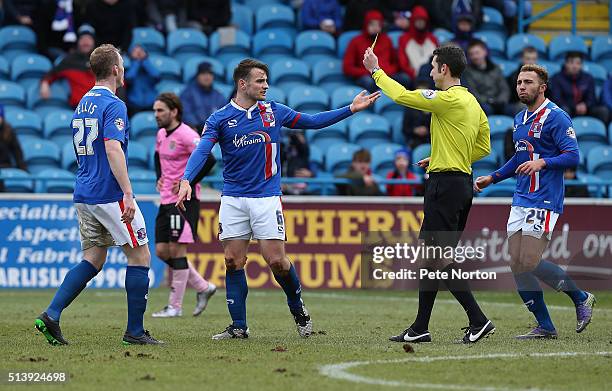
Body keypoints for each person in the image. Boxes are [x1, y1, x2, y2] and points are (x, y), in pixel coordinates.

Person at [175, 58, 380, 339]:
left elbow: (312, 121)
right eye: (260, 81)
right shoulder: (219, 118)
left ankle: (299, 311)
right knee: (233, 261)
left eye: (266, 81)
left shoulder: (274, 112)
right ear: (242, 84)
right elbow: (201, 151)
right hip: (233, 198)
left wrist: (350, 109)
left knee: (276, 262)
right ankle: (238, 327)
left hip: (266, 198)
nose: (266, 86)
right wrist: (186, 178)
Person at [364, 43, 495, 344]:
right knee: (431, 257)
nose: (430, 71)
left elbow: (401, 95)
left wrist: (375, 69)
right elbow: (484, 146)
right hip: (460, 184)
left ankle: (478, 320)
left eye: (433, 66)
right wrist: (442, 155)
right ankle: (420, 327)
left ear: (444, 69)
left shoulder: (446, 99)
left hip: (444, 186)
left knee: (436, 256)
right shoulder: (473, 103)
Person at [34, 44, 162, 346]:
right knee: (140, 256)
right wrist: (128, 193)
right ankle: (134, 332)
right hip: (109, 193)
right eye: (122, 64)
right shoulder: (114, 103)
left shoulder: (82, 102)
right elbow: (112, 147)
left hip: (84, 192)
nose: (125, 69)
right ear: (115, 69)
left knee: (93, 258)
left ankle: (52, 314)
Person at [474, 64, 596, 339]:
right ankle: (546, 326)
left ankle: (580, 297)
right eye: (519, 82)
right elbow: (518, 159)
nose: (521, 86)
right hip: (520, 199)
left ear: (542, 88)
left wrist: (543, 162)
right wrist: (492, 178)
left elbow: (573, 156)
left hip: (545, 199)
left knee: (528, 260)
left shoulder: (557, 117)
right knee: (517, 264)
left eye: (528, 82)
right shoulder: (519, 119)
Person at [152, 92, 217, 318]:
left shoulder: (187, 134)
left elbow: (208, 159)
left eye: (160, 110)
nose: (156, 115)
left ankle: (175, 307)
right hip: (165, 200)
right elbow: (157, 156)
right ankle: (203, 287)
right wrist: (159, 176)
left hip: (184, 202)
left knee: (178, 251)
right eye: (155, 111)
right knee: (162, 251)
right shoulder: (161, 134)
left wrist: (187, 184)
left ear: (174, 111)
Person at [39, 24, 96, 109]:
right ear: (77, 42)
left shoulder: (102, 60)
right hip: (79, 108)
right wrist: (44, 83)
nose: (86, 42)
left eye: (89, 39)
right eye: (82, 39)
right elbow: (52, 74)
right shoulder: (69, 60)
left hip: (101, 108)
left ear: (94, 42)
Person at [343, 10, 400, 92]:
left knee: (404, 78)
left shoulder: (387, 40)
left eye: (378, 24)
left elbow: (396, 63)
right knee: (368, 82)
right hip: (366, 76)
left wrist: (388, 71)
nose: (375, 27)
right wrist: (371, 72)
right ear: (366, 24)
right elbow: (347, 68)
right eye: (372, 24)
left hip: (386, 74)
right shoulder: (356, 41)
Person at [549, 52, 609, 124]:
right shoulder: (556, 78)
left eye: (578, 63)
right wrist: (574, 107)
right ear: (566, 64)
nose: (575, 66)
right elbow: (557, 99)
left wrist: (585, 105)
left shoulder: (588, 78)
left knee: (603, 111)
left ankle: (603, 132)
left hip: (586, 109)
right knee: (563, 110)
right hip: (568, 108)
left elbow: (592, 98)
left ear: (581, 65)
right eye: (571, 62)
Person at [462, 39, 510, 115]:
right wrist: (489, 101)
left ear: (485, 52)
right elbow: (472, 92)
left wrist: (501, 100)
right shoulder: (467, 72)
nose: (475, 56)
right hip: (483, 104)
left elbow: (504, 88)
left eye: (477, 53)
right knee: (486, 110)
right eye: (471, 54)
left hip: (499, 102)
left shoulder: (496, 68)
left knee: (512, 109)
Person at [180, 62, 227, 129]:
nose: (207, 77)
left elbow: (226, 116)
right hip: (194, 132)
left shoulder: (219, 96)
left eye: (210, 74)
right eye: (203, 73)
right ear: (197, 76)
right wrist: (198, 127)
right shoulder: (188, 93)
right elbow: (185, 113)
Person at [397, 5, 438, 81]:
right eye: (417, 20)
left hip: (432, 76)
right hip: (413, 77)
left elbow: (438, 60)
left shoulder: (433, 39)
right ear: (413, 21)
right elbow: (403, 64)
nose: (420, 23)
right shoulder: (404, 39)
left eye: (422, 20)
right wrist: (415, 74)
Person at [125, 44, 160, 115]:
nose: (139, 53)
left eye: (141, 50)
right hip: (135, 104)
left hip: (151, 103)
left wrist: (145, 61)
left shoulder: (148, 66)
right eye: (134, 51)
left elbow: (156, 76)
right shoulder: (128, 67)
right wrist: (137, 62)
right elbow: (129, 78)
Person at [506, 46, 538, 116]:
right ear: (522, 59)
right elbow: (512, 97)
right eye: (528, 59)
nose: (531, 62)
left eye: (534, 59)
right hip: (518, 104)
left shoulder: (541, 77)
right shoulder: (514, 77)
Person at [402, 77, 432, 148]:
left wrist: (427, 130)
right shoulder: (410, 108)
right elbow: (404, 129)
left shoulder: (432, 109)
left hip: (430, 141)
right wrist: (415, 130)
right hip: (414, 141)